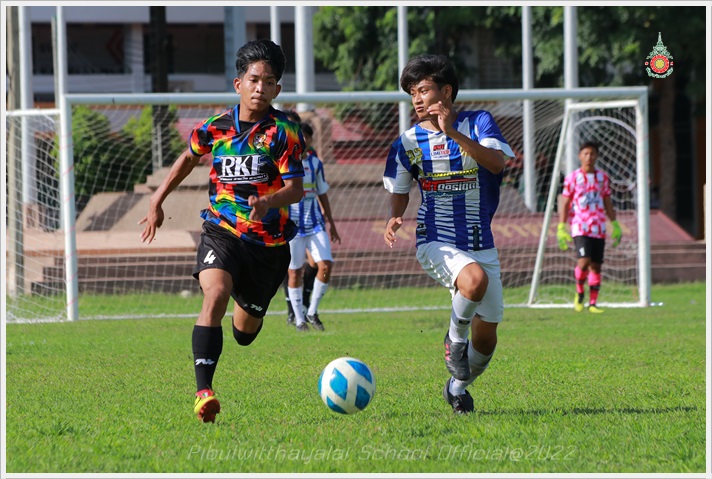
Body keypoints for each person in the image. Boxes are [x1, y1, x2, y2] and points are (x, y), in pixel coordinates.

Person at [138, 39, 305, 423]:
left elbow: (296, 190)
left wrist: (267, 202)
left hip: (269, 244)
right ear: (238, 83)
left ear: (277, 89)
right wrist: (156, 200)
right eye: (253, 79)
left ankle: (248, 310)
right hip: (221, 229)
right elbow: (187, 157)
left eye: (269, 82)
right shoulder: (216, 127)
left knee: (245, 333)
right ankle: (204, 393)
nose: (260, 87)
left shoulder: (285, 132)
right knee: (214, 293)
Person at [382, 54, 514, 414]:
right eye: (412, 93)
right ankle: (454, 338)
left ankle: (456, 387)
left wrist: (452, 133)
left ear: (447, 91)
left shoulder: (479, 123)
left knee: (486, 342)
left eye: (424, 90)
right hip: (435, 238)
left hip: (480, 242)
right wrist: (395, 217)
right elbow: (400, 189)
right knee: (473, 282)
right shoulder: (407, 142)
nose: (417, 99)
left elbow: (497, 163)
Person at [286, 121, 341, 331]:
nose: (304, 140)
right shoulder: (285, 162)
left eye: (307, 137)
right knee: (295, 272)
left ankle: (312, 311)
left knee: (325, 265)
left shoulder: (316, 164)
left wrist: (332, 224)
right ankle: (299, 319)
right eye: (300, 136)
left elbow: (322, 194)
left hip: (316, 224)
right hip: (293, 227)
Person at [557, 141, 622, 313]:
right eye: (585, 153)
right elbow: (565, 202)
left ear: (597, 156)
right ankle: (579, 293)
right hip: (580, 225)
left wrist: (614, 223)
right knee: (584, 262)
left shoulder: (603, 178)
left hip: (599, 227)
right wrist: (561, 226)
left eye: (592, 154)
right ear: (580, 156)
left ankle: (593, 303)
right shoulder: (572, 178)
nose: (589, 157)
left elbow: (607, 200)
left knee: (596, 266)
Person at [281, 110, 320, 326]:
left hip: (308, 223)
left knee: (316, 264)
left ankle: (303, 308)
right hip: (284, 221)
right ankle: (293, 311)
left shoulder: (310, 161)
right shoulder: (275, 155)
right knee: (288, 267)